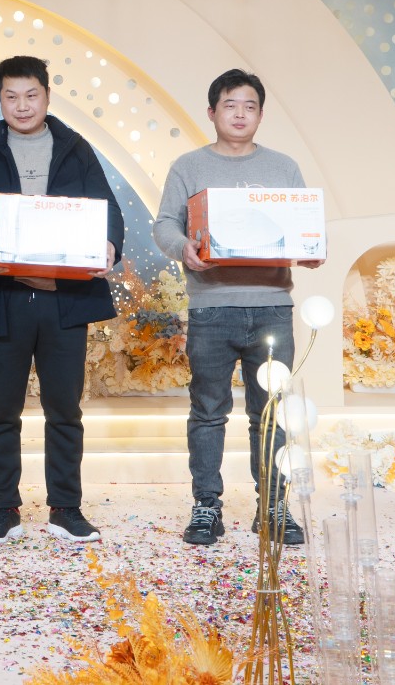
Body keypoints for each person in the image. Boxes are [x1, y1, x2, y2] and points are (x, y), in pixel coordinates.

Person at [0, 56, 122, 545]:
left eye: (31, 95)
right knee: (2, 412)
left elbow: (107, 209)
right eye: (11, 96)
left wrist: (109, 244)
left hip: (64, 300)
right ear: (0, 99)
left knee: (64, 410)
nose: (22, 106)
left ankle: (66, 508)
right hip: (4, 298)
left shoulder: (76, 149)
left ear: (47, 95)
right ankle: (3, 510)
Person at [151, 68, 322, 547]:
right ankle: (206, 505)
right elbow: (164, 224)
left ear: (261, 115)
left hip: (272, 306)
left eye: (250, 106)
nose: (240, 114)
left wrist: (312, 247)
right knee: (208, 411)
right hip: (211, 307)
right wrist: (183, 246)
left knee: (270, 413)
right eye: (230, 105)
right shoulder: (188, 166)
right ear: (212, 112)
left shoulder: (283, 167)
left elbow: (304, 224)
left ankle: (273, 506)